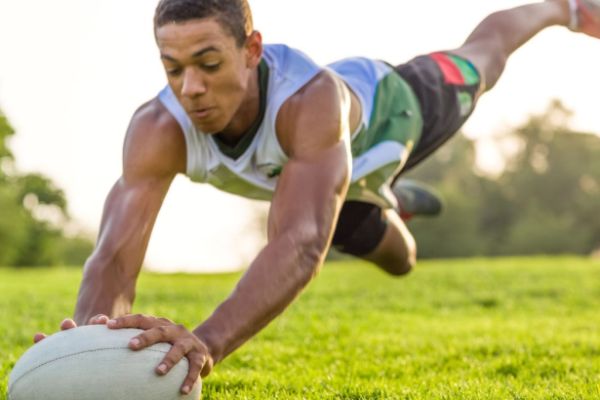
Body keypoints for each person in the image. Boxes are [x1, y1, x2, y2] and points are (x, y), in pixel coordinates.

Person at [34, 0, 600, 394]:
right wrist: (89, 341)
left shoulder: (309, 101)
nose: (192, 89)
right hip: (315, 180)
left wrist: (204, 342)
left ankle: (559, 8)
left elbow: (301, 244)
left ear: (251, 49)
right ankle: (389, 206)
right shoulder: (157, 127)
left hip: (391, 116)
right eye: (173, 68)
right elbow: (113, 255)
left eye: (209, 63)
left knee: (485, 56)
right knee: (399, 261)